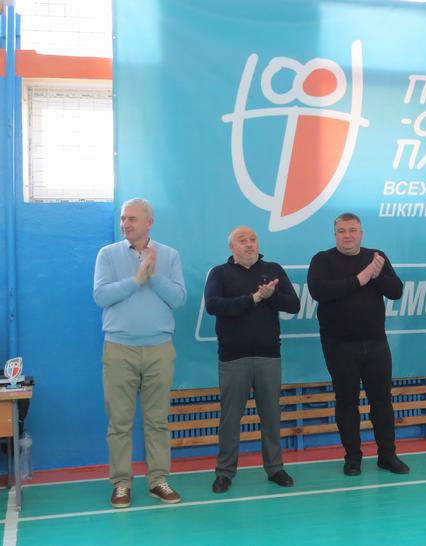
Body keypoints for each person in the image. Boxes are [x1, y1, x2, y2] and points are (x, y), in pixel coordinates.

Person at [93, 198, 187, 508]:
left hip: (159, 348)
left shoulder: (169, 255)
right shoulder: (108, 254)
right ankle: (121, 483)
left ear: (149, 222)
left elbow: (179, 298)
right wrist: (136, 280)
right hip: (119, 348)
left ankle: (158, 480)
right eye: (123, 218)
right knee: (119, 422)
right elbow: (101, 296)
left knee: (157, 421)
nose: (125, 224)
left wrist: (153, 274)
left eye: (132, 219)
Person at [307, 213, 409, 476]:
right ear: (335, 234)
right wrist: (359, 279)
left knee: (382, 401)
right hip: (339, 346)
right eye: (342, 231)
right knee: (347, 401)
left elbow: (396, 291)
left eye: (352, 230)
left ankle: (387, 455)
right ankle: (353, 458)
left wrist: (376, 275)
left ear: (361, 233)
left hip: (376, 343)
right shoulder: (322, 260)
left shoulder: (376, 257)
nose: (348, 235)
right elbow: (319, 291)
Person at [204, 226, 300, 492]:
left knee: (271, 416)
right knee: (230, 419)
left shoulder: (273, 270)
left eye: (253, 239)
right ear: (231, 247)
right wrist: (254, 298)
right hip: (233, 357)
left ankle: (275, 468)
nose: (249, 244)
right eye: (242, 240)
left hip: (269, 355)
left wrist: (272, 296)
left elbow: (293, 305)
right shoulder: (219, 273)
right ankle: (225, 472)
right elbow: (213, 305)